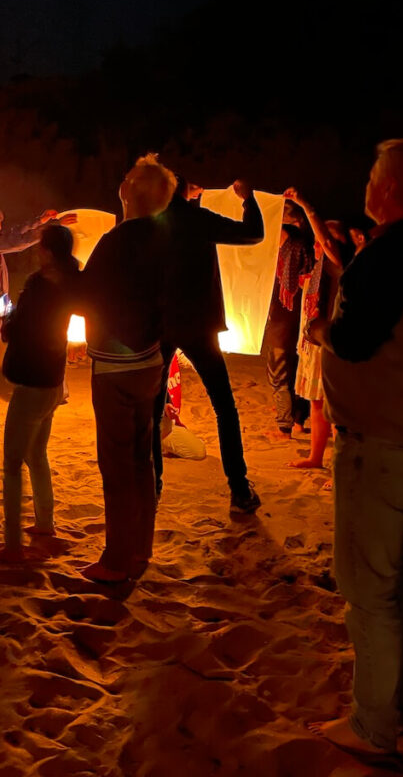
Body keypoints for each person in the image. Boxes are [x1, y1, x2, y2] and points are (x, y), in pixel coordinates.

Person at [307, 139, 403, 757]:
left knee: (368, 587)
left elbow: (354, 341)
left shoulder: (388, 254)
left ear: (393, 187)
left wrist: (323, 329)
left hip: (381, 442)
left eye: (374, 174)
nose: (367, 183)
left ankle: (374, 725)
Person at [79, 153, 176, 583]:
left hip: (117, 365)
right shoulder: (165, 238)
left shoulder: (116, 241)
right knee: (141, 457)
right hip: (151, 361)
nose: (122, 179)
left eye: (128, 177)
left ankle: (117, 560)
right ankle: (140, 548)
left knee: (117, 463)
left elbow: (86, 294)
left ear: (130, 192)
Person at [154, 178, 264, 512]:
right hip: (199, 323)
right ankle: (239, 490)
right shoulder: (197, 219)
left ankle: (152, 485)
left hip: (161, 323)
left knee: (151, 406)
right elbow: (253, 233)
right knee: (224, 407)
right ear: (183, 188)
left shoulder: (150, 222)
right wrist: (249, 198)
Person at [0, 224, 81, 562]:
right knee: (37, 454)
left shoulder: (38, 287)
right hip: (53, 379)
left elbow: (14, 331)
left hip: (31, 382)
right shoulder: (73, 281)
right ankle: (45, 523)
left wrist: (6, 314)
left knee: (12, 463)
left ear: (46, 250)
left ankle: (13, 544)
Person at [0, 198, 77, 439]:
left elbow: (13, 233)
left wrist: (40, 220)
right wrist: (53, 228)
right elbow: (17, 242)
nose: (4, 224)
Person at [282, 188, 352, 472]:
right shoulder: (320, 270)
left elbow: (324, 237)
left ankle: (340, 468)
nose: (319, 243)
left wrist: (304, 204)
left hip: (331, 346)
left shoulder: (341, 266)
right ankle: (316, 458)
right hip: (313, 345)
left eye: (326, 238)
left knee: (335, 411)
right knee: (316, 402)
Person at [262, 200, 313, 437]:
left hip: (286, 314)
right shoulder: (295, 245)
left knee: (279, 368)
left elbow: (293, 284)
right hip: (294, 314)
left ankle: (284, 425)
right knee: (294, 369)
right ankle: (298, 420)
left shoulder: (293, 246)